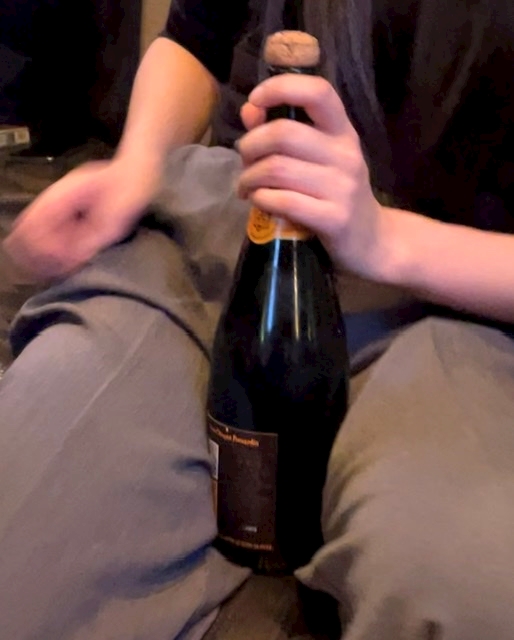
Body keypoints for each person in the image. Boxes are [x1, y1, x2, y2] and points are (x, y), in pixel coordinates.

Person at [1, 0, 514, 638]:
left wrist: (385, 240)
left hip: (464, 295)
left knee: (462, 586)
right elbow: (196, 37)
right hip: (236, 232)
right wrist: (137, 167)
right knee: (25, 525)